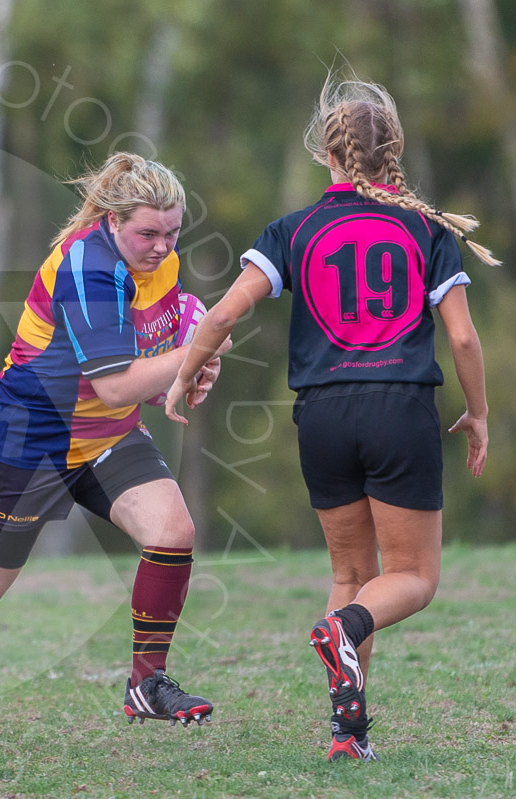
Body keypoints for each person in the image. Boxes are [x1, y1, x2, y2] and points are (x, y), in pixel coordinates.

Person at [164, 76, 493, 761]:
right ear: (393, 151)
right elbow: (462, 337)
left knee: (351, 573)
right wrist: (480, 412)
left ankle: (348, 733)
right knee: (412, 578)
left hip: (320, 415)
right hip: (398, 407)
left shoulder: (292, 231)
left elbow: (223, 313)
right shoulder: (424, 229)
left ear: (327, 156)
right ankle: (342, 630)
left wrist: (183, 374)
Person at [0, 153, 227, 753]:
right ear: (114, 223)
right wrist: (197, 350)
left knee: (173, 533)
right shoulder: (86, 265)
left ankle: (146, 684)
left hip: (106, 434)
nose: (160, 246)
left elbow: (160, 344)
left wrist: (192, 362)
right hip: (31, 439)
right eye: (148, 233)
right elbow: (118, 382)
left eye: (172, 232)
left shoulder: (160, 260)